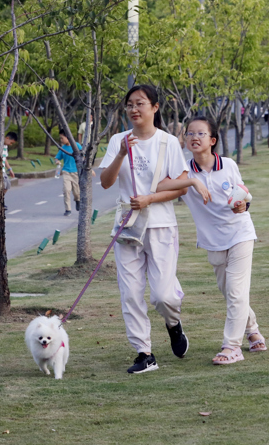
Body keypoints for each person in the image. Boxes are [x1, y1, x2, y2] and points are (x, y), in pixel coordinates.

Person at [156, 116, 267, 365]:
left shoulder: (227, 164)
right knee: (230, 293)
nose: (194, 137)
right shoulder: (183, 171)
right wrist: (192, 181)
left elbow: (243, 193)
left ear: (213, 140)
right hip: (212, 241)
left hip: (240, 234)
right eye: (189, 133)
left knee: (237, 291)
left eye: (200, 134)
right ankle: (253, 330)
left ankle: (231, 347)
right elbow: (160, 185)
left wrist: (243, 204)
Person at [99, 84, 190, 374]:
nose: (134, 109)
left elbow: (181, 186)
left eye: (140, 103)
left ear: (155, 107)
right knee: (130, 292)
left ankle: (173, 324)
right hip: (127, 226)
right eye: (129, 105)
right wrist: (121, 155)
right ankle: (144, 352)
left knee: (163, 295)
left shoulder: (168, 143)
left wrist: (150, 198)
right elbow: (105, 181)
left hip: (161, 224)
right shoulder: (118, 141)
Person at [55, 129, 82, 216]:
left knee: (77, 192)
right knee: (66, 190)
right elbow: (57, 157)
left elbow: (83, 156)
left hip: (76, 173)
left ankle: (77, 200)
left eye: (62, 138)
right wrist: (57, 161)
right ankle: (68, 209)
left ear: (67, 137)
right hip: (66, 172)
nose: (61, 140)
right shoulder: (63, 148)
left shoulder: (76, 145)